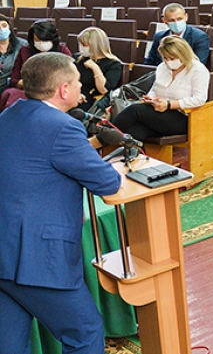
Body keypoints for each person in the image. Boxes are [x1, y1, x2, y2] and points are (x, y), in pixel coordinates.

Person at [0, 53, 123, 354]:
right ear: (64, 90)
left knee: (10, 345)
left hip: (4, 254)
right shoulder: (63, 127)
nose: (82, 87)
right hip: (35, 259)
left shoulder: (9, 114)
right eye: (78, 81)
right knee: (85, 333)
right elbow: (108, 182)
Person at [112, 36, 209, 142]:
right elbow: (155, 89)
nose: (168, 61)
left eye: (172, 58)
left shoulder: (198, 70)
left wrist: (168, 104)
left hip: (185, 117)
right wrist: (151, 98)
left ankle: (99, 140)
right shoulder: (162, 67)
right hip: (159, 114)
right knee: (134, 132)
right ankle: (127, 155)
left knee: (134, 110)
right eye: (165, 58)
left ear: (183, 54)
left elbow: (199, 99)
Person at [0, 20, 74, 109]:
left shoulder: (62, 50)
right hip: (27, 92)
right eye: (38, 40)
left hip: (53, 93)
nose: (42, 43)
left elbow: (72, 76)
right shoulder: (25, 50)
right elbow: (14, 80)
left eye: (45, 40)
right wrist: (24, 83)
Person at [73, 27, 122, 114]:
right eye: (80, 44)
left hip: (94, 99)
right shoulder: (77, 58)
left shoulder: (113, 64)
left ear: (96, 46)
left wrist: (95, 68)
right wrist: (75, 94)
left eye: (84, 45)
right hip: (75, 94)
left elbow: (104, 90)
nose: (81, 48)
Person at [144, 3, 210, 67]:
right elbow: (149, 63)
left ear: (186, 17)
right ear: (164, 21)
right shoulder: (159, 37)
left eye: (179, 19)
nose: (176, 23)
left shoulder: (200, 37)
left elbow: (198, 65)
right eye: (172, 20)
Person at [0, 14, 26, 94]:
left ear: (9, 27)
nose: (1, 29)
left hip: (12, 89)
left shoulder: (23, 45)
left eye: (4, 25)